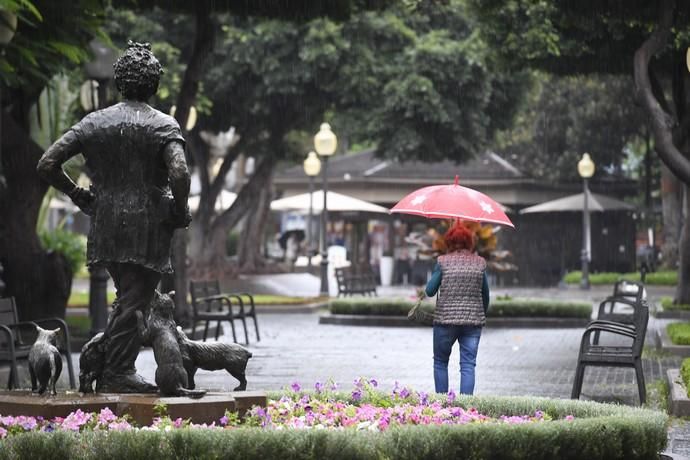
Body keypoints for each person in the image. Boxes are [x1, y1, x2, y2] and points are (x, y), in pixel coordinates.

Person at [37, 41, 191, 393]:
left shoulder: (95, 122)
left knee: (128, 297)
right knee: (135, 299)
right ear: (154, 84)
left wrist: (77, 194)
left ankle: (113, 365)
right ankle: (117, 371)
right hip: (150, 226)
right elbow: (179, 173)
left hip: (106, 221)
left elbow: (47, 164)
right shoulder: (162, 125)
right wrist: (179, 210)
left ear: (120, 82)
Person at [424, 221, 489, 395]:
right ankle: (465, 408)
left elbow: (429, 291)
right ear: (470, 242)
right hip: (473, 323)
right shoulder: (480, 263)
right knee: (468, 365)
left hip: (445, 320)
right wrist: (480, 314)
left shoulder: (442, 262)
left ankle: (442, 405)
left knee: (440, 362)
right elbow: (485, 296)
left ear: (449, 242)